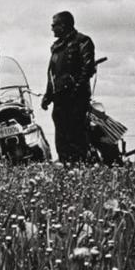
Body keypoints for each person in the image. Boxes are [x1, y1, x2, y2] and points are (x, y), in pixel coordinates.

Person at [41, 10, 95, 164]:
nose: (52, 28)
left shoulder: (83, 41)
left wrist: (76, 89)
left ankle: (79, 164)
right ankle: (65, 163)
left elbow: (88, 68)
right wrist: (47, 96)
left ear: (63, 25)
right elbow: (52, 74)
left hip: (76, 98)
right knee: (61, 132)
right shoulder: (57, 47)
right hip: (60, 98)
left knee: (75, 132)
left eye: (54, 25)